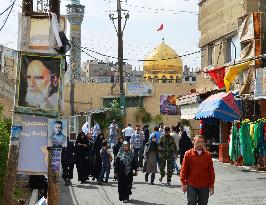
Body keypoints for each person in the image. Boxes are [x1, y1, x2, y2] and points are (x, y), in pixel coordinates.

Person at [180, 135, 215, 205]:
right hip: (191, 184)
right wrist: (183, 183)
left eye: (201, 142)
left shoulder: (207, 155)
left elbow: (211, 171)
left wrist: (211, 185)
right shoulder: (188, 154)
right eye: (198, 141)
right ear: (194, 142)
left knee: (203, 203)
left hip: (204, 185)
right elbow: (184, 169)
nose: (200, 144)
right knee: (192, 202)